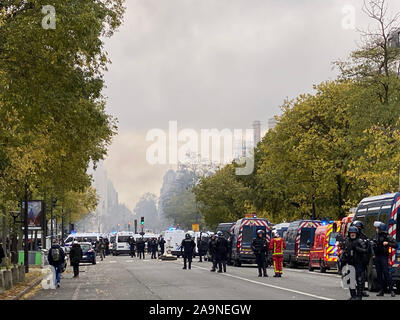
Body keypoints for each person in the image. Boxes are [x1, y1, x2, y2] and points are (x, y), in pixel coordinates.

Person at [341, 226, 369, 300]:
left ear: (356, 233)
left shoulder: (359, 241)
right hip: (350, 263)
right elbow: (344, 250)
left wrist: (357, 248)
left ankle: (359, 296)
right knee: (350, 280)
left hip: (358, 263)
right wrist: (343, 260)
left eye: (354, 233)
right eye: (351, 233)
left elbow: (365, 250)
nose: (352, 234)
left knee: (359, 280)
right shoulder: (347, 241)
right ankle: (353, 296)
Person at [373, 222, 398, 297]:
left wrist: (387, 243)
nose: (376, 229)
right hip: (377, 257)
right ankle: (381, 290)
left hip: (384, 257)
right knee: (379, 274)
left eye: (377, 228)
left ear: (380, 229)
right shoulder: (376, 236)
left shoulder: (387, 236)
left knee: (386, 273)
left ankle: (391, 290)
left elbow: (395, 244)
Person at [351, 220, 371, 297]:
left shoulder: (363, 237)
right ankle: (353, 295)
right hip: (351, 260)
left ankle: (361, 291)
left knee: (361, 277)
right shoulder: (349, 238)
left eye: (359, 227)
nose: (357, 229)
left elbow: (367, 248)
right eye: (356, 227)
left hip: (360, 260)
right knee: (351, 277)